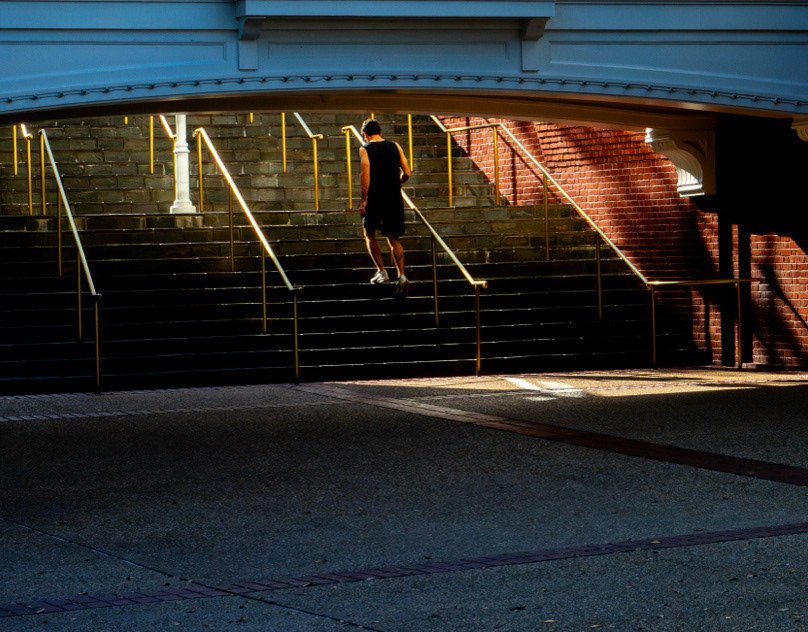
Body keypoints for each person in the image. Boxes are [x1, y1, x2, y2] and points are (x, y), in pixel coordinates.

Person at [359, 118, 412, 296]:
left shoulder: (365, 148)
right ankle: (402, 275)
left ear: (365, 135)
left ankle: (382, 271)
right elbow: (407, 172)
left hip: (375, 196)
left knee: (369, 233)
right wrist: (398, 182)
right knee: (393, 237)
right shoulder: (395, 146)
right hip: (393, 197)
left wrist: (364, 200)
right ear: (380, 132)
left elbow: (365, 173)